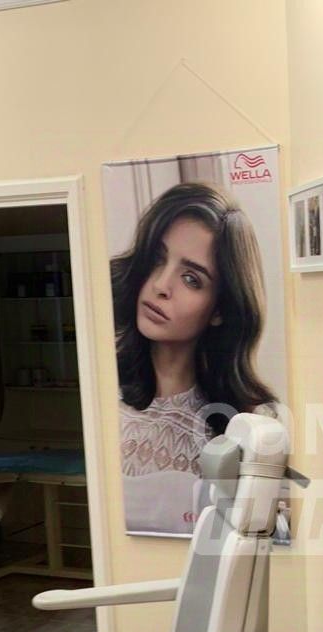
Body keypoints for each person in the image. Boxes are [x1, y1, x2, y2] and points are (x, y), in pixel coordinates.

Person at [113, 182, 278, 536]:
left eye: (191, 278)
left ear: (219, 309)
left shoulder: (248, 422)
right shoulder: (101, 394)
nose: (161, 285)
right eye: (157, 259)